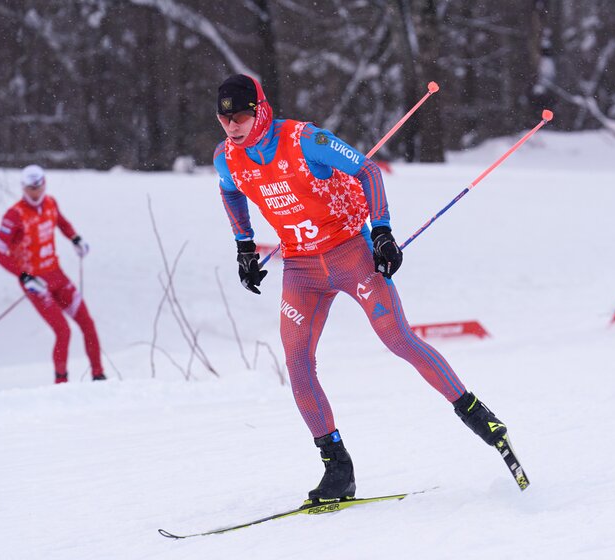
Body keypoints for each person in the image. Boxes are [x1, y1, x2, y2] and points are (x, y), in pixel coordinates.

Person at [212, 74, 514, 502]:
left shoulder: (305, 140)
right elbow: (230, 193)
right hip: (300, 267)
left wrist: (383, 232)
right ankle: (338, 468)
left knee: (397, 338)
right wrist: (244, 246)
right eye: (224, 119)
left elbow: (368, 170)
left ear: (261, 110)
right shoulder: (227, 158)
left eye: (241, 116)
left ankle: (479, 416)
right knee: (297, 363)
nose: (232, 127)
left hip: (350, 253)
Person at [0, 164, 106, 384]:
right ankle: (61, 385)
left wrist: (75, 238)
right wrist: (24, 276)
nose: (35, 192)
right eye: (30, 188)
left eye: (39, 186)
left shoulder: (51, 204)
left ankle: (98, 375)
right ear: (23, 188)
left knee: (87, 323)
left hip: (57, 276)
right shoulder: (14, 215)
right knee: (63, 331)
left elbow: (62, 223)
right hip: (36, 284)